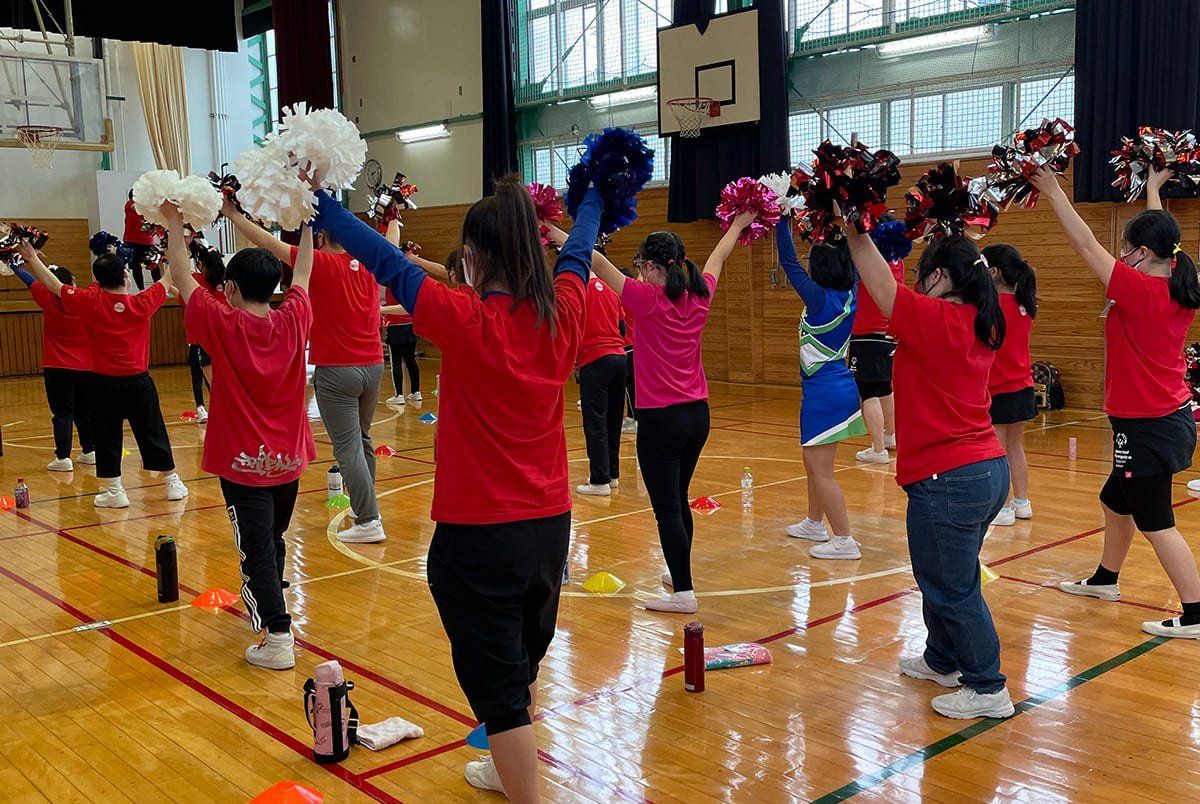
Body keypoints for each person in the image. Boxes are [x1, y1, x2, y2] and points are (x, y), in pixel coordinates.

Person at [312, 173, 599, 803]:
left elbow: (384, 259)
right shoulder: (564, 312)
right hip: (551, 530)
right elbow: (578, 252)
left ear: (472, 258)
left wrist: (323, 205)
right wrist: (598, 193)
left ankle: (524, 787)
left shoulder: (465, 317)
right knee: (518, 666)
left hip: (477, 539)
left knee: (500, 696)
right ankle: (506, 767)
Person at [845, 226, 1014, 720]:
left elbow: (879, 283)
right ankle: (941, 660)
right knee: (946, 574)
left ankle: (987, 688)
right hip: (985, 470)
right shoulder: (983, 319)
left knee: (951, 584)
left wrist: (854, 232)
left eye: (923, 275)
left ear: (940, 278)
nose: (916, 284)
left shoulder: (936, 319)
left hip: (951, 477)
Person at [1033, 165, 1200, 639]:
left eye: (1127, 250)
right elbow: (1159, 238)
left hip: (1148, 425)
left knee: (1156, 521)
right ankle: (1106, 578)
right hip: (1163, 419)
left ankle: (1196, 611)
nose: (1120, 256)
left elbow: (1085, 243)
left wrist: (1052, 190)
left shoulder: (1142, 291)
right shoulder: (1176, 284)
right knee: (1114, 500)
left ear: (1142, 254)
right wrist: (1151, 191)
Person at [162, 201, 315, 669]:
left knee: (256, 551)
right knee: (272, 541)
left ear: (229, 288)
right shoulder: (292, 317)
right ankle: (275, 609)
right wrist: (309, 217)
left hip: (244, 466)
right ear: (274, 286)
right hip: (288, 461)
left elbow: (182, 279)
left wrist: (173, 224)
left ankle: (278, 634)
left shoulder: (222, 321)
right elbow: (304, 272)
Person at [584, 214, 757, 614]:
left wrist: (558, 233)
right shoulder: (698, 295)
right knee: (677, 499)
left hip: (661, 420)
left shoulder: (645, 300)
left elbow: (594, 260)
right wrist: (737, 225)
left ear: (654, 267)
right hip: (698, 416)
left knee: (667, 508)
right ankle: (680, 574)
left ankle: (683, 593)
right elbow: (718, 257)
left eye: (643, 265)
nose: (639, 272)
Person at [223, 198, 387, 544]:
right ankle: (366, 510)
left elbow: (267, 243)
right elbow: (394, 238)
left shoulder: (322, 263)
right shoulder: (371, 263)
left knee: (348, 448)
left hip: (338, 369)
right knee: (363, 439)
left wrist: (234, 215)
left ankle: (369, 519)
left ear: (322, 238)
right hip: (373, 366)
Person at [16, 242, 187, 508]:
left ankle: (115, 491)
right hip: (139, 382)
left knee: (107, 436)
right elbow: (169, 277)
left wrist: (30, 259)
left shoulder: (90, 302)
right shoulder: (142, 302)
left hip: (103, 383)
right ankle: (172, 482)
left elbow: (54, 286)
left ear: (97, 280)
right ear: (125, 277)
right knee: (152, 431)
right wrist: (177, 247)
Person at [777, 221, 867, 559]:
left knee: (821, 469)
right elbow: (853, 256)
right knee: (813, 461)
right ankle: (815, 522)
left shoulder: (818, 299)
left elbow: (787, 262)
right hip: (835, 386)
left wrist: (781, 219)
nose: (807, 264)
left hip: (824, 393)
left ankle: (844, 539)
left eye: (812, 260)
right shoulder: (850, 292)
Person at [543, 222, 626, 496]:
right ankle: (613, 474)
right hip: (619, 358)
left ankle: (599, 479)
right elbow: (621, 327)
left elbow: (570, 330)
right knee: (614, 420)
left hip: (596, 359)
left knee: (595, 422)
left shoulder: (575, 293)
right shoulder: (609, 289)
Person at [13, 260, 95, 471]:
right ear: (73, 282)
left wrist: (14, 265)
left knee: (62, 413)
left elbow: (28, 279)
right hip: (86, 367)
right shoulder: (85, 300)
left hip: (57, 367)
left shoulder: (47, 299)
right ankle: (89, 450)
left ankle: (63, 458)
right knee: (83, 411)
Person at [983, 244, 1037, 527]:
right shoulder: (1024, 305)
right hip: (1023, 387)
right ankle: (1022, 502)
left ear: (993, 272)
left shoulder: (991, 307)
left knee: (999, 450)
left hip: (999, 389)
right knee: (1015, 448)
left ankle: (1002, 507)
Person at [850, 217, 909, 464]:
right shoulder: (897, 260)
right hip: (889, 333)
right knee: (885, 388)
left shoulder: (869, 262)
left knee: (868, 391)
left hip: (866, 334)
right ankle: (890, 436)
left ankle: (877, 449)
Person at [381, 219, 450, 404]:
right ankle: (415, 391)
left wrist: (380, 309)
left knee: (397, 360)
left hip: (397, 323)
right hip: (411, 323)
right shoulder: (409, 275)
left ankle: (399, 395)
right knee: (410, 359)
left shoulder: (393, 278)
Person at [187, 241, 227, 424]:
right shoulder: (229, 285)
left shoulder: (199, 282)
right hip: (226, 338)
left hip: (205, 340)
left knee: (209, 378)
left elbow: (180, 280)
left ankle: (210, 409)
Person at [123, 190, 159, 290]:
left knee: (153, 264)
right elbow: (135, 207)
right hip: (132, 241)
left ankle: (159, 288)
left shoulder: (148, 206)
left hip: (147, 241)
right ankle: (141, 289)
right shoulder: (130, 204)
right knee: (135, 266)